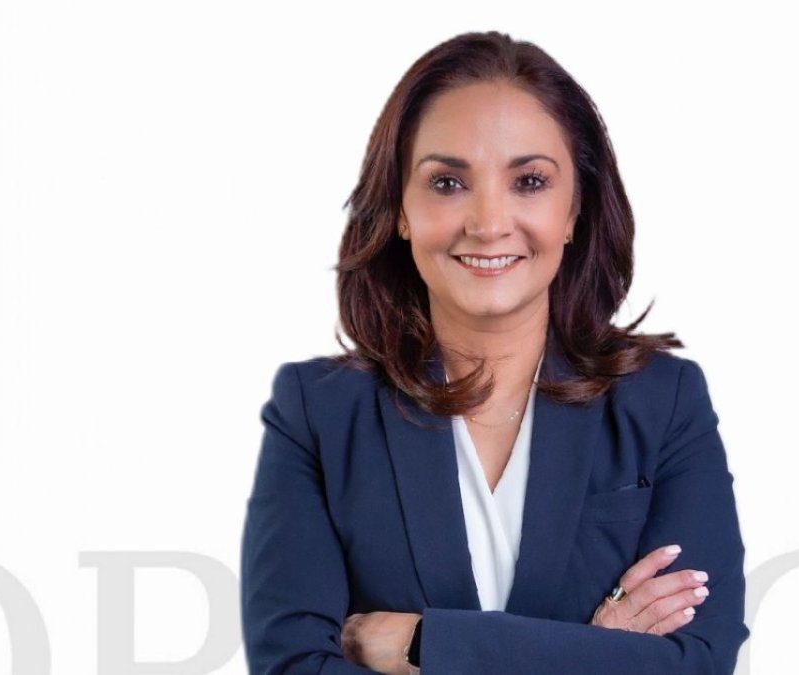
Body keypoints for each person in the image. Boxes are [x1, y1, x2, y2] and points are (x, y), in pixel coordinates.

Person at [240, 30, 750, 674]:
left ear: (575, 210)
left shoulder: (663, 402)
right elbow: (290, 667)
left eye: (529, 181)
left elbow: (697, 665)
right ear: (400, 209)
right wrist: (596, 649)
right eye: (447, 182)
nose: (487, 224)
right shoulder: (318, 414)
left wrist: (423, 644)